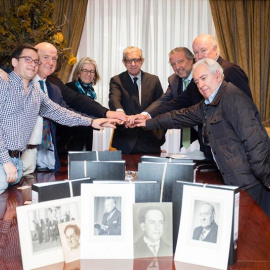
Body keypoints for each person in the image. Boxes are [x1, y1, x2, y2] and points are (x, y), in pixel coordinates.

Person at [135, 58, 270, 217]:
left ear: (218, 75)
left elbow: (256, 143)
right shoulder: (209, 103)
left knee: (257, 234)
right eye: (197, 81)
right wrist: (148, 122)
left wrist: (267, 180)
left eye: (204, 78)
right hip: (235, 181)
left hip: (251, 184)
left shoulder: (233, 98)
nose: (200, 85)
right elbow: (179, 116)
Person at [0, 44, 121, 195]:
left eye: (36, 61)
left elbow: (60, 112)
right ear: (14, 62)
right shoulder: (3, 83)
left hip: (16, 160)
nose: (33, 64)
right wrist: (5, 161)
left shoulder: (35, 91)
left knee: (11, 206)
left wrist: (92, 122)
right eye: (28, 59)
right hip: (3, 159)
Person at [129, 34, 252, 160]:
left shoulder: (231, 70)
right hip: (211, 146)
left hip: (235, 148)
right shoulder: (196, 79)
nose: (199, 56)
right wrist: (147, 117)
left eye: (203, 50)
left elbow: (247, 110)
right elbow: (177, 103)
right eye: (196, 53)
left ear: (215, 49)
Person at [130, 47, 198, 149]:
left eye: (180, 61)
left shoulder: (202, 77)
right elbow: (165, 101)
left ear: (191, 60)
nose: (177, 67)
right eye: (173, 64)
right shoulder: (173, 79)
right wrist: (145, 115)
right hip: (187, 135)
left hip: (206, 131)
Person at [109, 46, 166, 154]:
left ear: (142, 61)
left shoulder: (154, 80)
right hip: (126, 140)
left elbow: (161, 105)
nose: (133, 64)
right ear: (123, 62)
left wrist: (161, 131)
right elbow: (114, 99)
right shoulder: (116, 80)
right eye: (129, 60)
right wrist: (120, 113)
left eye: (136, 60)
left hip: (151, 138)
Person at [57, 57, 101, 153]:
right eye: (85, 70)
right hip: (70, 138)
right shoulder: (68, 88)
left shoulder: (91, 91)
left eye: (92, 71)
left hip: (86, 135)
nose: (88, 74)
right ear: (78, 72)